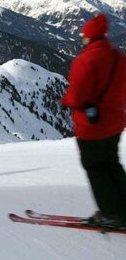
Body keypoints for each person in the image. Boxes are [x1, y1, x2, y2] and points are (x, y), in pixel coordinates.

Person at [62, 13, 126, 228]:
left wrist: (66, 99)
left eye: (84, 36)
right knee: (112, 164)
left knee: (96, 167)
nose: (82, 39)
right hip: (116, 123)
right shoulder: (119, 57)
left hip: (92, 127)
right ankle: (123, 209)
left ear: (89, 36)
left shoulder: (86, 60)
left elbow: (77, 95)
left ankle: (111, 214)